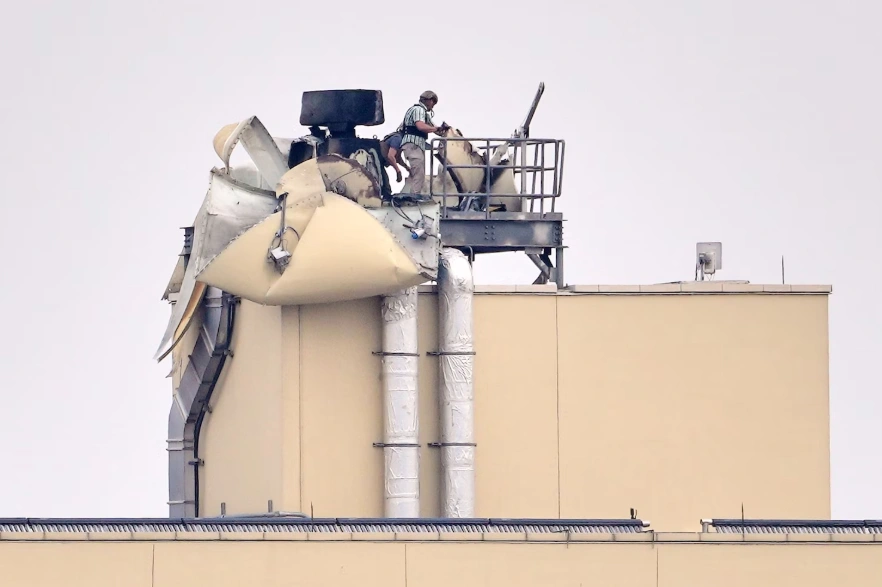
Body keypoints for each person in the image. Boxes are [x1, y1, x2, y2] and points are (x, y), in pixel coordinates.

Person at [399, 90, 442, 195]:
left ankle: (412, 195)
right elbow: (421, 126)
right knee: (418, 173)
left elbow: (433, 128)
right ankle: (414, 197)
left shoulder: (424, 113)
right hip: (413, 145)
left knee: (419, 173)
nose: (433, 105)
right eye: (433, 102)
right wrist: (436, 129)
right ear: (429, 100)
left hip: (417, 145)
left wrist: (444, 130)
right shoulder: (418, 110)